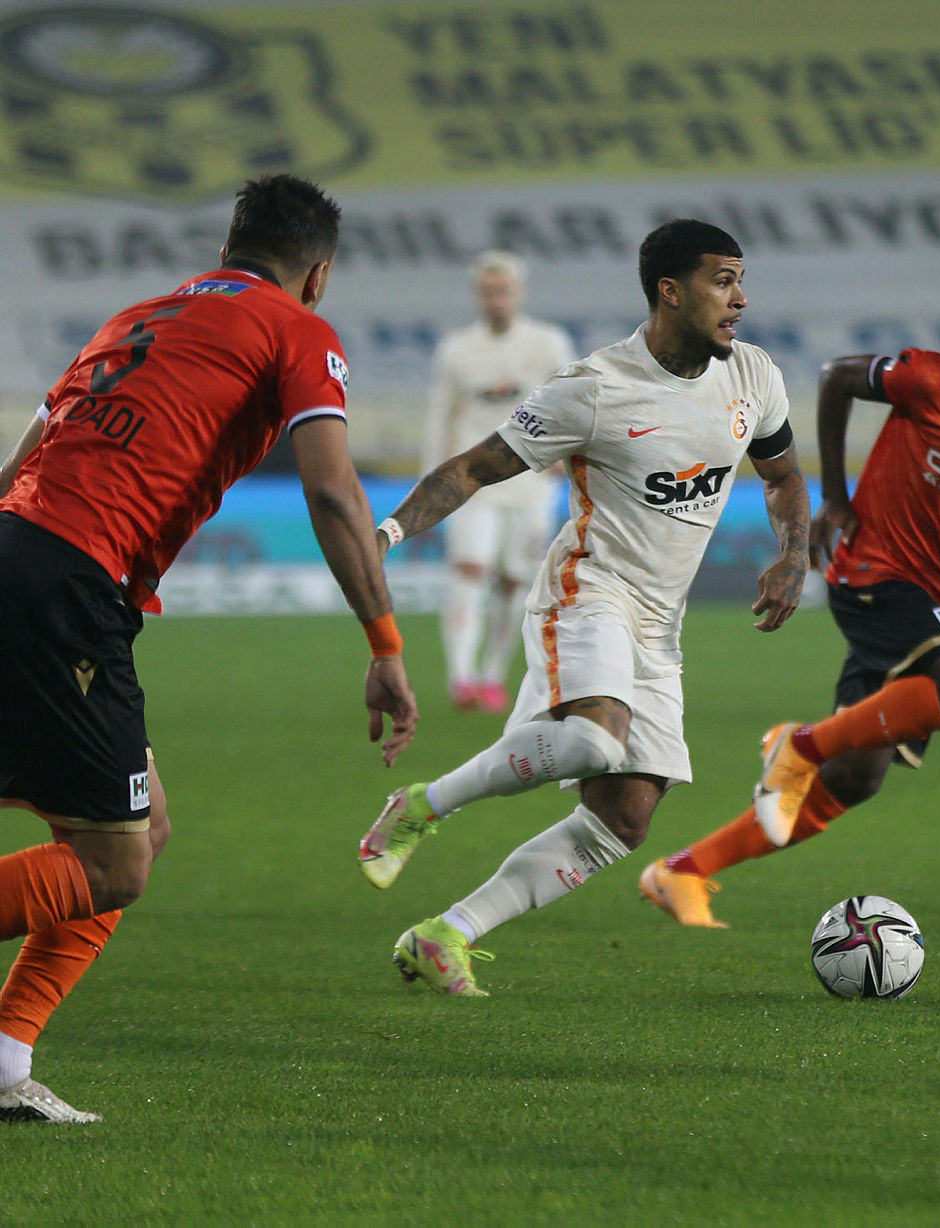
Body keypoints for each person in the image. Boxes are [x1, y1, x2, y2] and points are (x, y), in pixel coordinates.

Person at [0, 174, 418, 1123]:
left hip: (21, 550)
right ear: (318, 276)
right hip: (70, 579)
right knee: (116, 863)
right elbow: (332, 493)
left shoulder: (139, 314)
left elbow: (32, 443)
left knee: (133, 829)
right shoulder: (297, 331)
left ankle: (4, 1060)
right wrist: (384, 641)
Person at [356, 219, 809, 995]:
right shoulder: (596, 388)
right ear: (671, 292)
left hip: (659, 627)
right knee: (598, 744)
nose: (741, 298)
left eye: (741, 280)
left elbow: (783, 476)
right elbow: (475, 465)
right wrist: (390, 530)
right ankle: (423, 806)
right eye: (723, 281)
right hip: (587, 590)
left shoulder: (754, 377)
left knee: (623, 820)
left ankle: (447, 933)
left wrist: (794, 551)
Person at [638, 253, 940, 928]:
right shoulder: (934, 377)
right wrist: (835, 495)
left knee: (857, 777)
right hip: (872, 570)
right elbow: (837, 377)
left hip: (927, 591)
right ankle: (797, 746)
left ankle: (683, 870)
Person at [423, 252, 576, 713]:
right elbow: (440, 415)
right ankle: (460, 677)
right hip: (474, 478)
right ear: (478, 295)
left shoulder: (549, 343)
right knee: (470, 569)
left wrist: (564, 456)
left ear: (519, 293)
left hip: (530, 479)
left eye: (503, 291)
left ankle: (492, 676)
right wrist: (432, 483)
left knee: (516, 579)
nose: (496, 300)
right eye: (488, 292)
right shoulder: (457, 348)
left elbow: (570, 401)